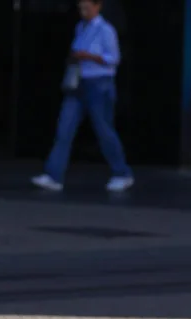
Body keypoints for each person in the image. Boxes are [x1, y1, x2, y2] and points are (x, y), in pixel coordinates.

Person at [31, 0, 133, 192]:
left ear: (97, 6)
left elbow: (114, 58)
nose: (83, 12)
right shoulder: (80, 27)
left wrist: (89, 56)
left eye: (87, 8)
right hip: (79, 82)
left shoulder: (105, 30)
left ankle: (122, 172)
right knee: (64, 128)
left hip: (99, 83)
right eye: (81, 8)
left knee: (104, 130)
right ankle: (54, 175)